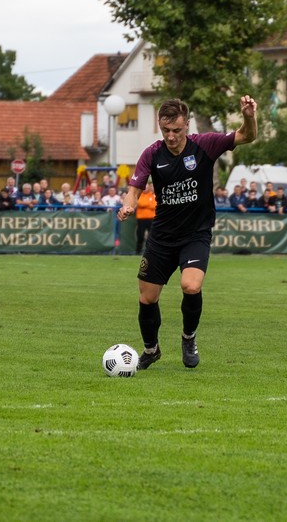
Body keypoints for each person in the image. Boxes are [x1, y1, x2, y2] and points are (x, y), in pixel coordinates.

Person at [116, 96, 258, 371]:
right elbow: (135, 188)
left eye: (177, 131)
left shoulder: (205, 144)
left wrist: (249, 116)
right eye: (166, 130)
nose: (171, 136)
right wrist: (128, 205)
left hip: (195, 235)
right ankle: (151, 350)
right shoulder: (151, 154)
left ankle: (188, 338)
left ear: (187, 125)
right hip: (162, 236)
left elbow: (247, 136)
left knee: (191, 286)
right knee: (147, 298)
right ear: (160, 126)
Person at [135, 181, 157, 253]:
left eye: (147, 187)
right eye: (144, 187)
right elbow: (140, 203)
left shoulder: (153, 195)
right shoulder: (139, 195)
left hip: (151, 218)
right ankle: (138, 251)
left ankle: (150, 252)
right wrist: (148, 204)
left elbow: (154, 205)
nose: (145, 189)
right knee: (140, 235)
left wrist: (146, 204)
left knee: (151, 236)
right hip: (141, 218)